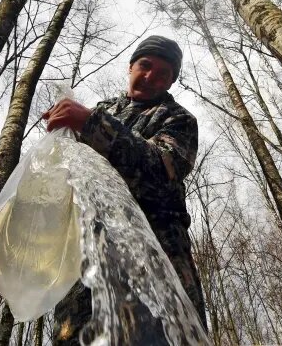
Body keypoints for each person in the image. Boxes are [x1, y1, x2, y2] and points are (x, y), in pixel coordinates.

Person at [43, 35, 206, 345]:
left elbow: (163, 168)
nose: (150, 77)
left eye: (163, 74)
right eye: (145, 66)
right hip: (86, 262)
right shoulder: (106, 109)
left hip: (155, 258)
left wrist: (90, 123)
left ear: (170, 83)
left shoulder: (177, 119)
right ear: (131, 66)